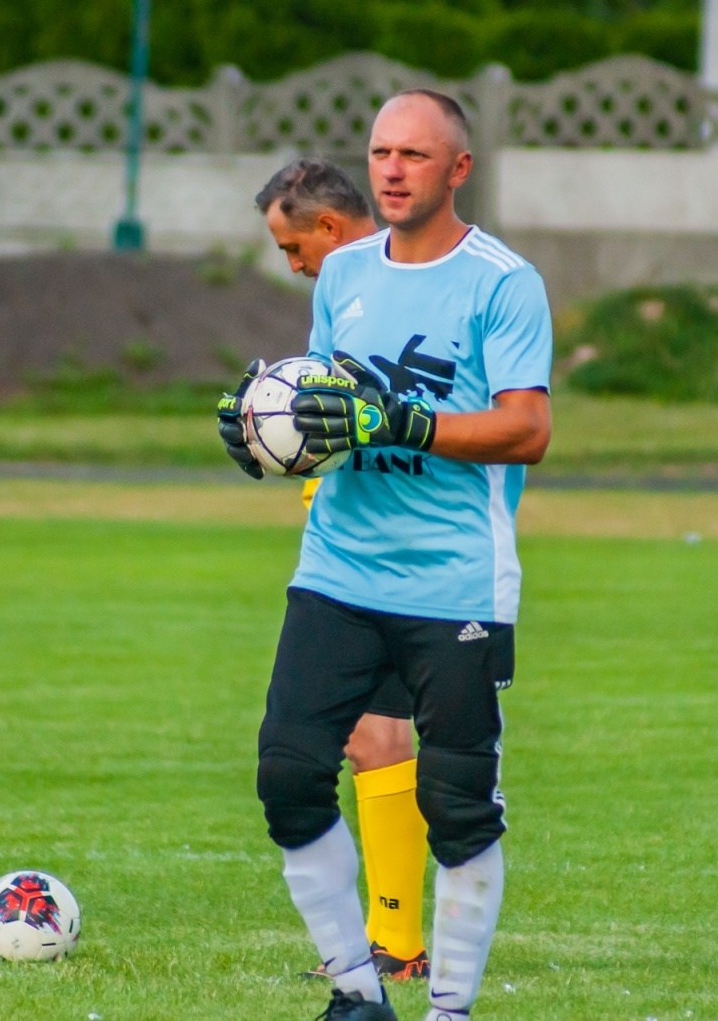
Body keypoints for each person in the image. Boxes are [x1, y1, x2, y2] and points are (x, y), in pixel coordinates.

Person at [221, 90, 552, 1021]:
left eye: (414, 153)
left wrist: (404, 419)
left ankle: (448, 1010)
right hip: (337, 571)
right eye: (380, 152)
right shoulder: (343, 273)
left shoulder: (504, 282)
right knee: (287, 775)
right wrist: (268, 428)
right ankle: (357, 996)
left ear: (458, 169)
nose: (393, 169)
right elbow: (331, 406)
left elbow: (528, 429)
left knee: (457, 805)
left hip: (455, 583)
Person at [253, 158, 430, 981]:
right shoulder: (342, 294)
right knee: (368, 735)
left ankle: (396, 940)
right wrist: (270, 431)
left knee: (386, 739)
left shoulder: (421, 278)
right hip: (348, 548)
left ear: (328, 228)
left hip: (424, 553)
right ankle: (390, 939)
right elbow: (334, 410)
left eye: (294, 247)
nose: (291, 266)